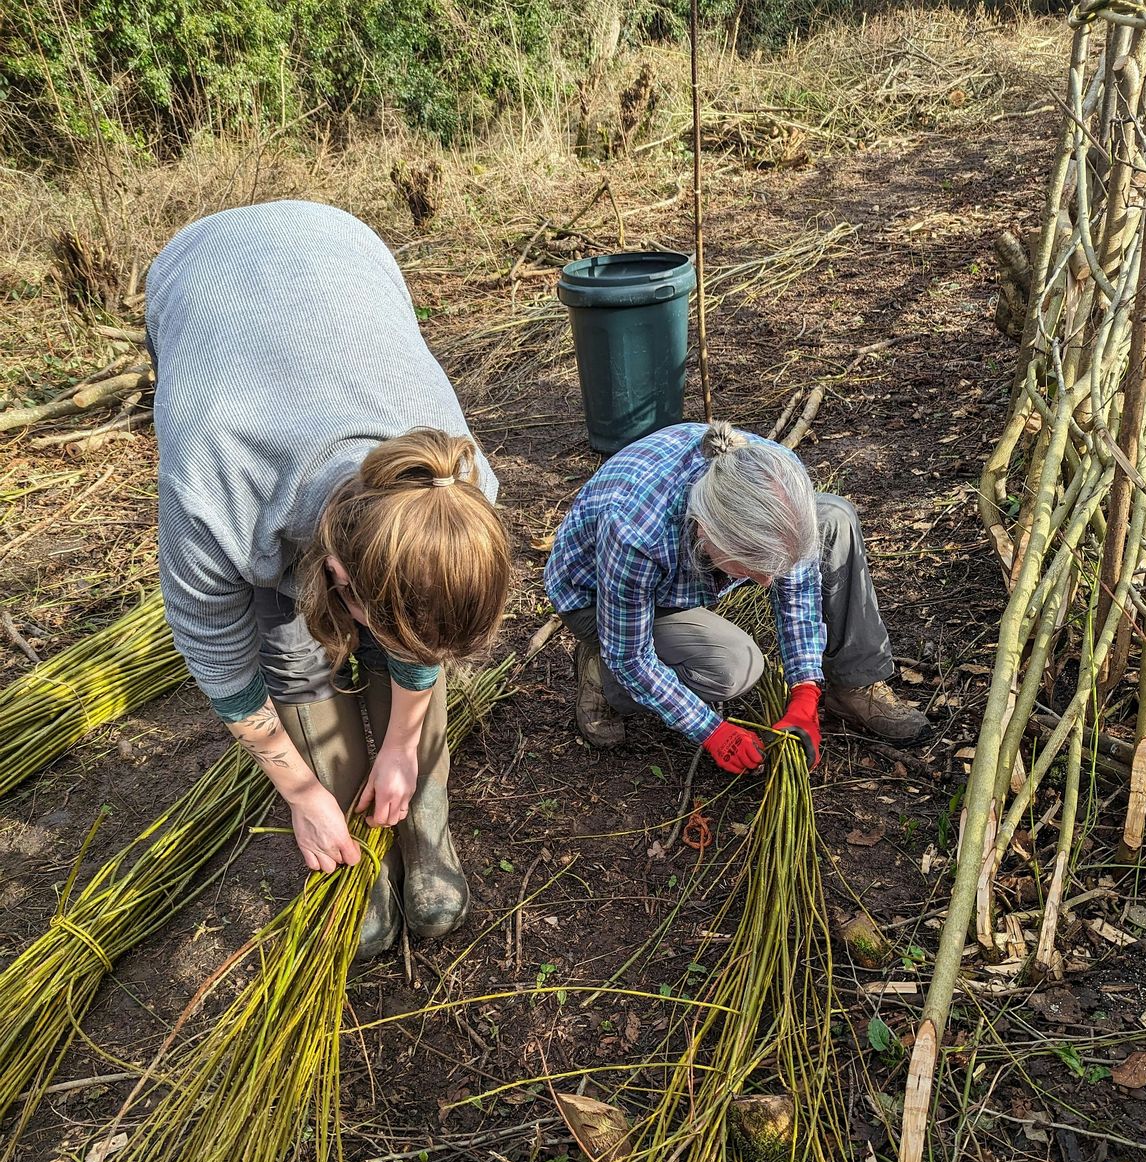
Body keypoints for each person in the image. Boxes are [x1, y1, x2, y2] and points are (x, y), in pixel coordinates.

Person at [146, 200, 510, 956]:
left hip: (341, 253)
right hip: (204, 278)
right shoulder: (215, 485)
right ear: (338, 574)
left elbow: (423, 632)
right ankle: (341, 823)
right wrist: (299, 791)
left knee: (405, 649)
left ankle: (424, 822)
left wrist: (405, 746)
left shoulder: (455, 482)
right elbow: (219, 657)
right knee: (287, 639)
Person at [544, 421, 930, 769]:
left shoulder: (775, 471)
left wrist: (805, 690)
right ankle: (600, 672)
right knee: (734, 667)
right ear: (707, 533)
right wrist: (710, 730)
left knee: (834, 517)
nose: (765, 584)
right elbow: (632, 657)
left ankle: (852, 684)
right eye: (752, 567)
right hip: (596, 597)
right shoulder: (636, 532)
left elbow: (796, 590)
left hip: (679, 562)